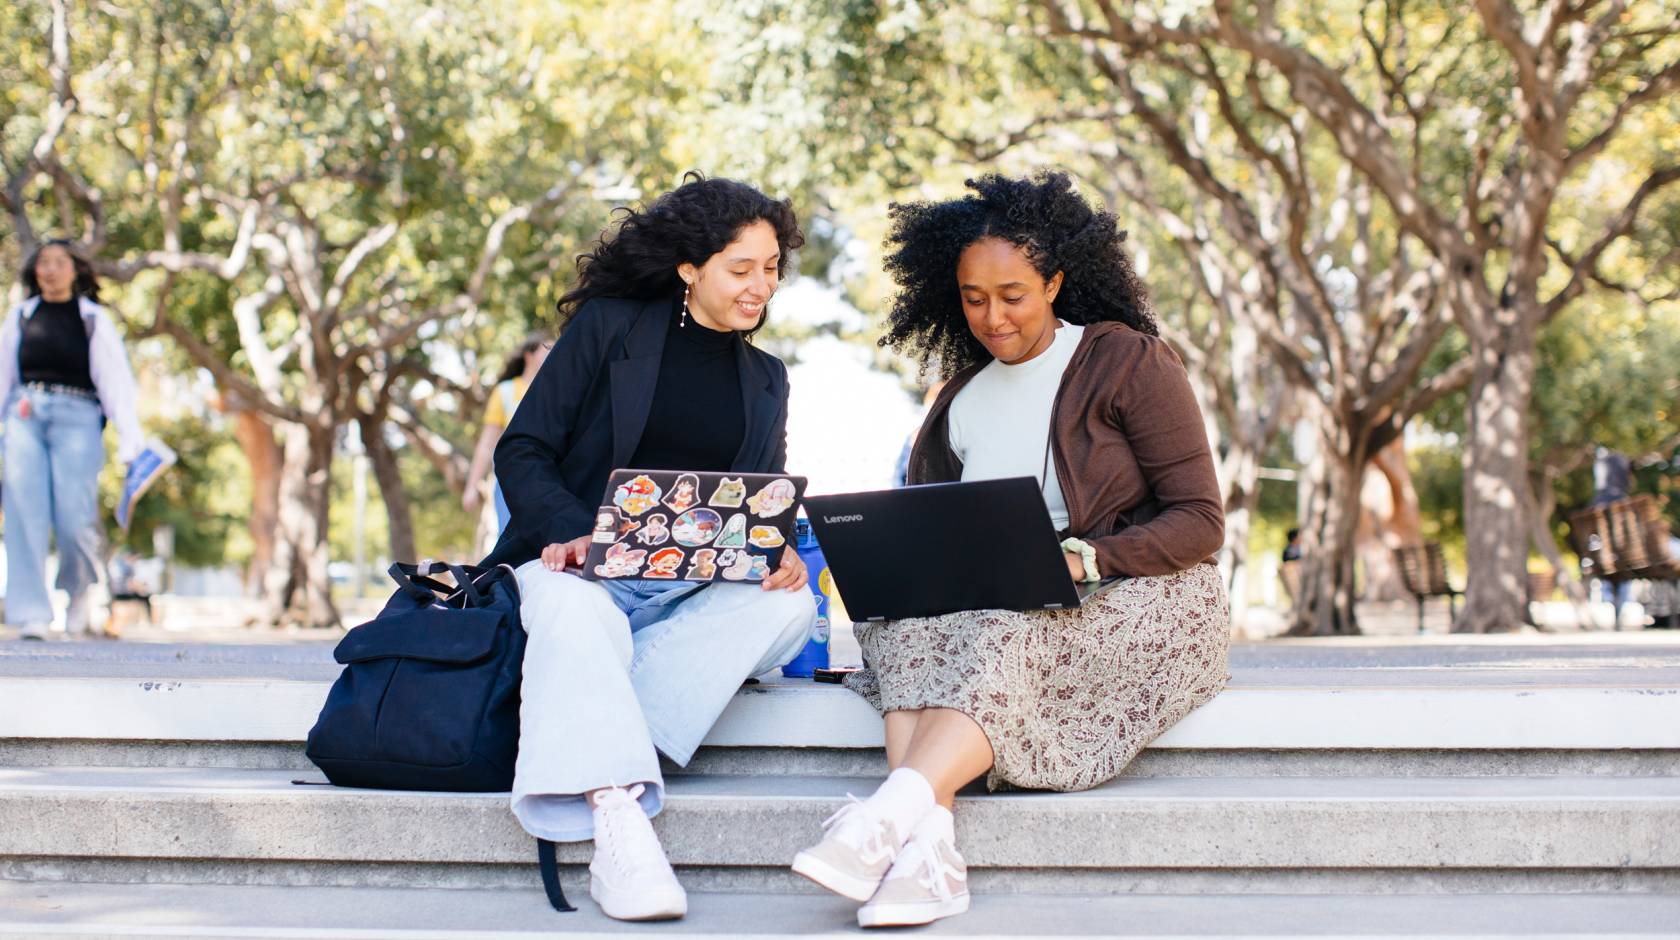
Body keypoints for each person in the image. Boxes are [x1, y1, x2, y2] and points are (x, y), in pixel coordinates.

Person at [793, 173, 1229, 928]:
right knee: (903, 622)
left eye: (1013, 294)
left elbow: (1200, 519)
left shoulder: (1124, 360)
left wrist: (1085, 558)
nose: (991, 317)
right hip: (999, 595)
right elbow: (936, 524)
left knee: (1003, 623)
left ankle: (885, 817)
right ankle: (926, 857)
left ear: (1056, 281)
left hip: (1137, 593)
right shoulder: (958, 397)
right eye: (972, 298)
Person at [481, 174, 818, 922]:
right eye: (741, 268)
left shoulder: (767, 379)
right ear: (689, 268)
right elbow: (524, 449)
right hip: (575, 568)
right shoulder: (611, 327)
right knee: (573, 611)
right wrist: (571, 529)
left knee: (792, 611)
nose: (760, 286)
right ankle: (618, 817)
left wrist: (777, 551)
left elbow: (756, 503)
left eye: (771, 269)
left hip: (685, 591)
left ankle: (594, 723)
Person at [0, 239, 143, 640]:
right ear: (35, 271)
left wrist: (131, 441)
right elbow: (2, 379)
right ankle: (31, 613)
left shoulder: (92, 319)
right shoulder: (21, 316)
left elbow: (115, 383)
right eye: (43, 262)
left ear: (75, 270)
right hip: (25, 415)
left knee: (75, 519)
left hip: (78, 418)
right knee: (24, 516)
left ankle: (77, 595)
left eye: (59, 262)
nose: (50, 269)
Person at [463, 332, 551, 535]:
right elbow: (486, 445)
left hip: (549, 480)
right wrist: (471, 486)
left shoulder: (557, 391)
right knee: (511, 540)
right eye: (546, 350)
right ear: (529, 356)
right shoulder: (505, 392)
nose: (553, 355)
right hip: (511, 481)